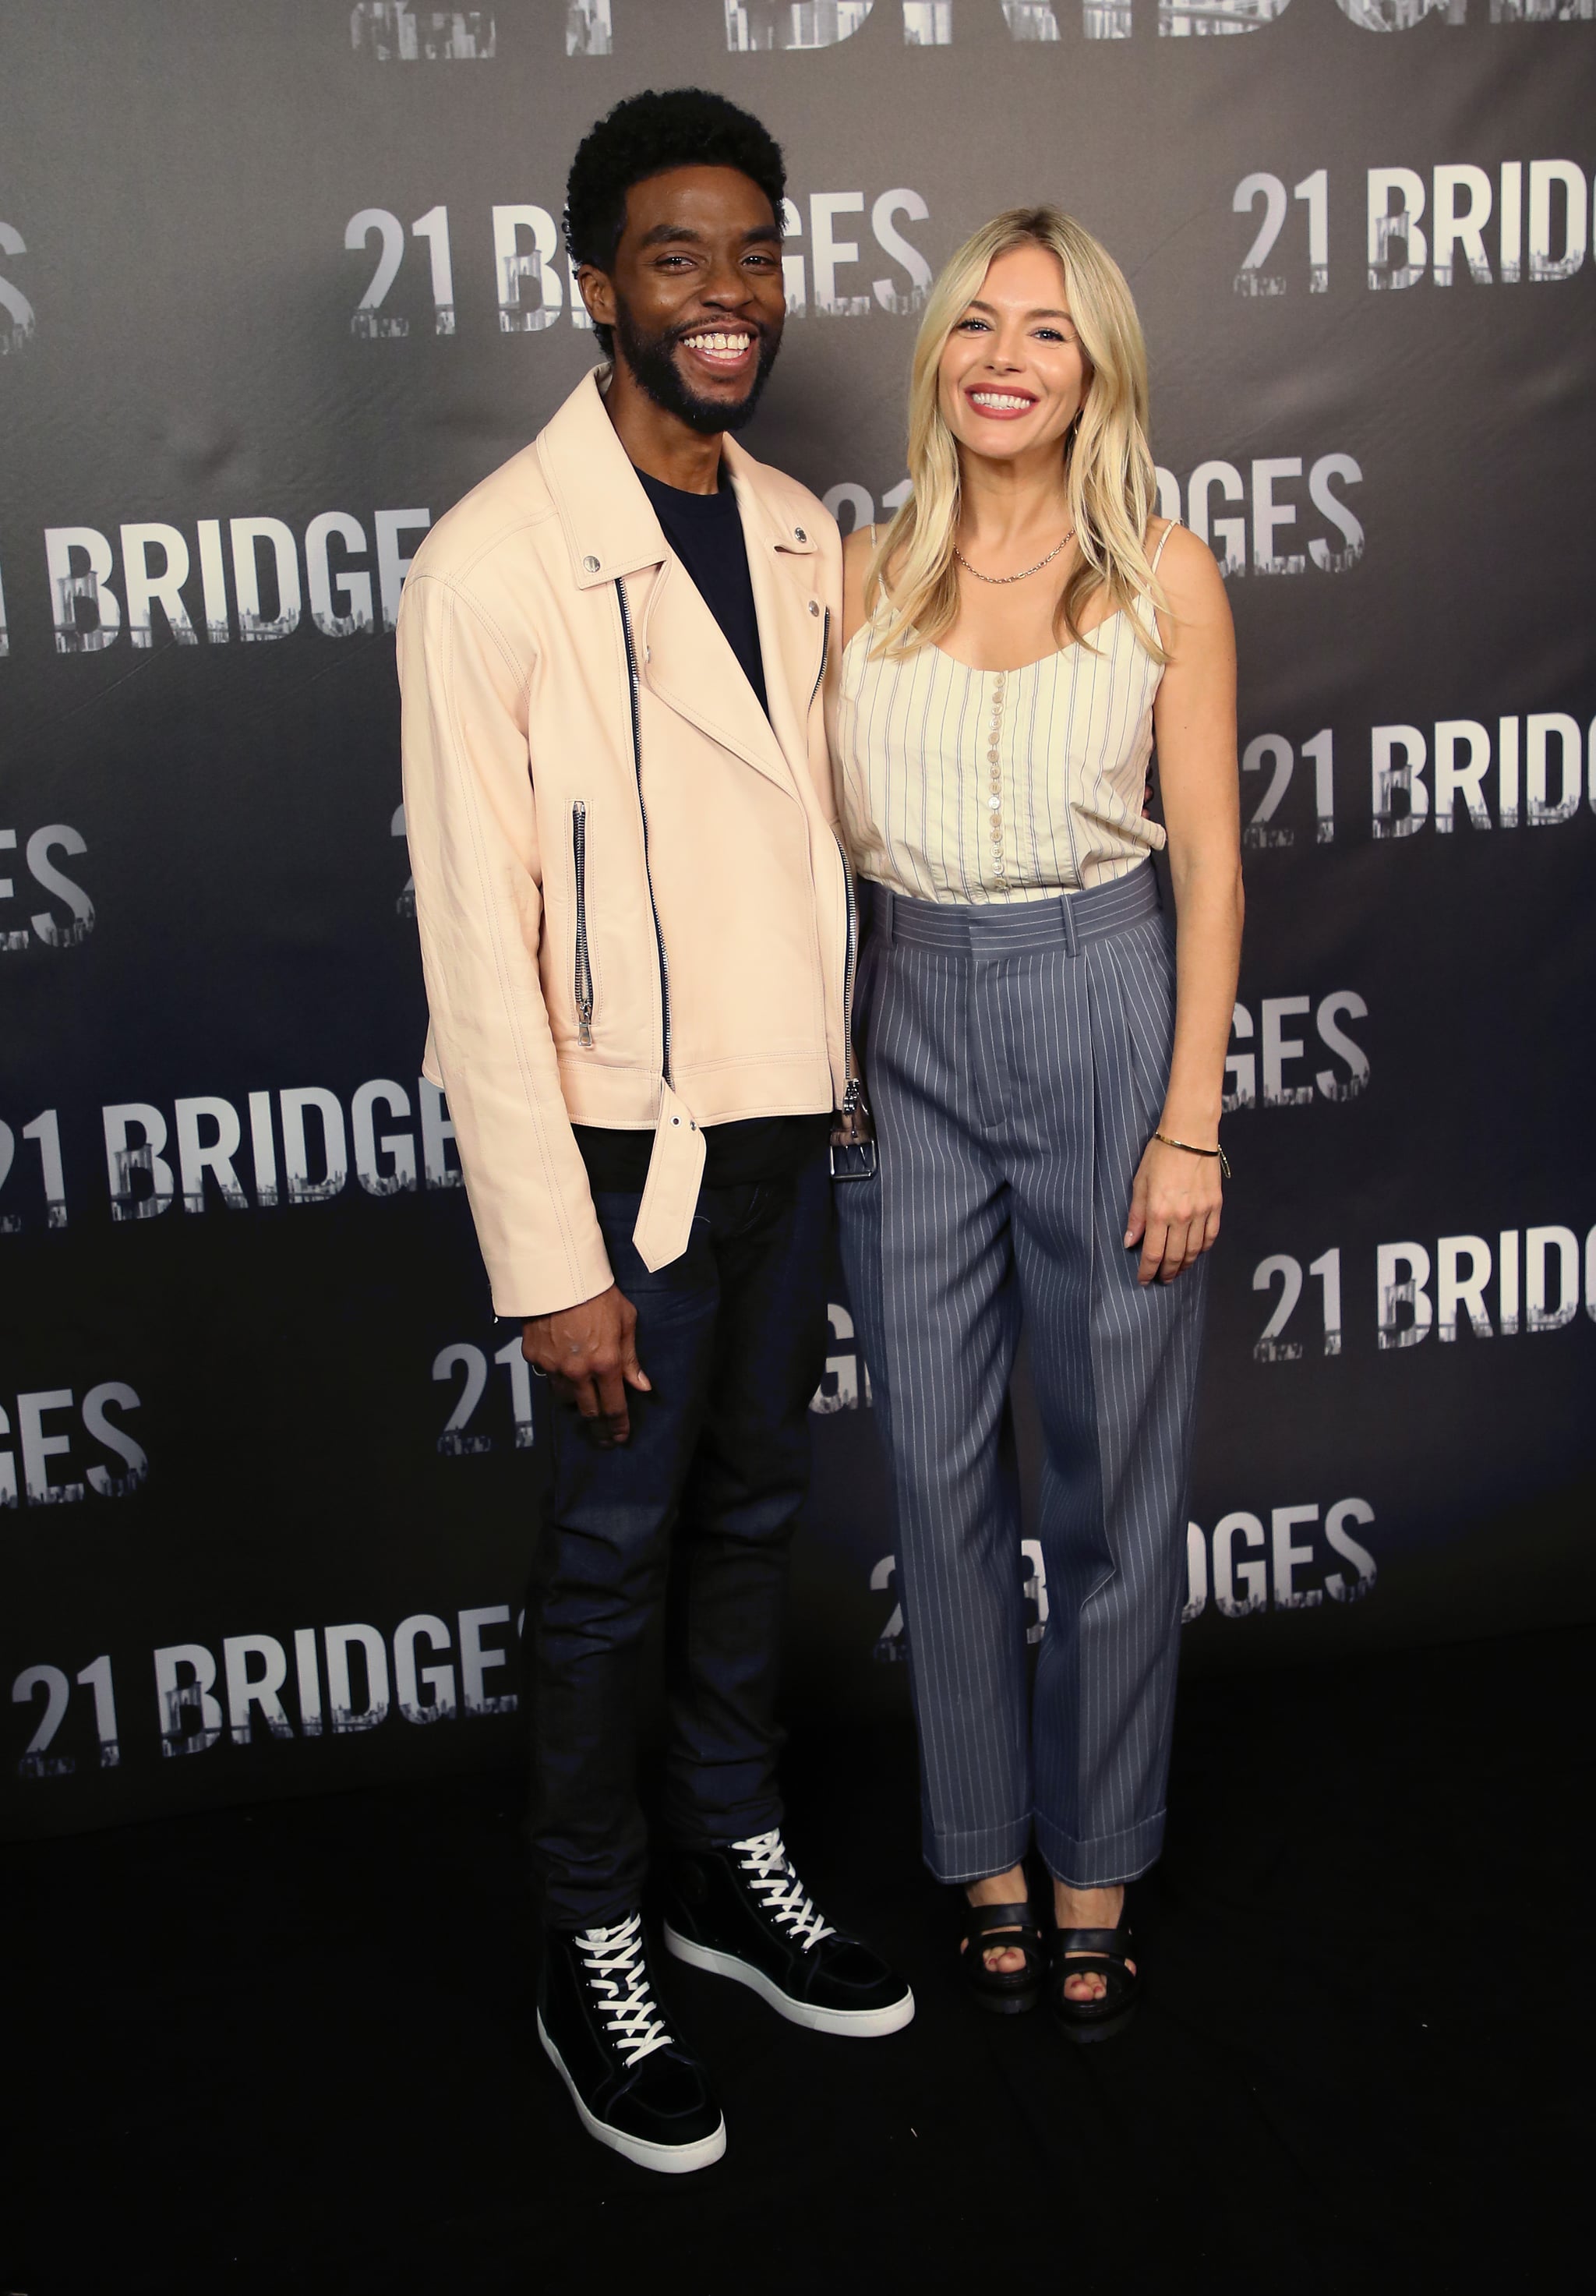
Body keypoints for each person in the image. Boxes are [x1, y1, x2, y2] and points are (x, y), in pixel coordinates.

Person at [397, 88, 913, 2176]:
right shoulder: (492, 565)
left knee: (752, 1515)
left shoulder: (805, 530)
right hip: (627, 1163)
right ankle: (589, 1933)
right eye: (679, 258)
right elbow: (476, 949)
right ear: (594, 283)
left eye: (758, 255)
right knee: (612, 1557)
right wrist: (552, 1259)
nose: (729, 298)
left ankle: (723, 1856)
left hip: (792, 1138)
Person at [835, 207, 1241, 2042]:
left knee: (1110, 1486)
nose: (1005, 355)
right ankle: (980, 1854)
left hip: (1103, 1004)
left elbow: (1213, 873)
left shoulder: (1164, 573)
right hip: (901, 1019)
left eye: (1050, 334)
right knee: (929, 1471)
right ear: (938, 354)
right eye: (978, 323)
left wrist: (1187, 1122)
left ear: (1098, 375)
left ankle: (1096, 1861)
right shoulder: (855, 574)